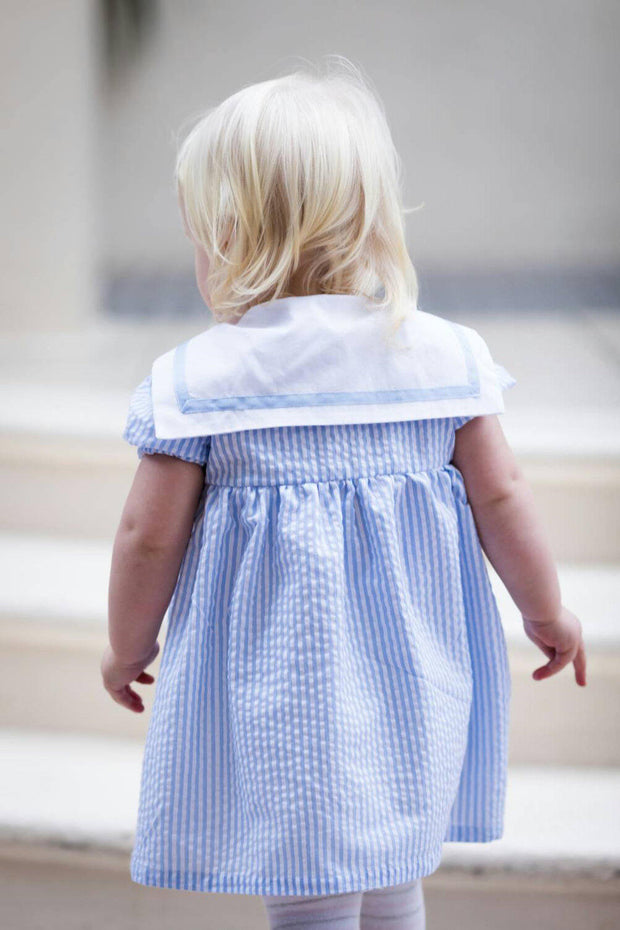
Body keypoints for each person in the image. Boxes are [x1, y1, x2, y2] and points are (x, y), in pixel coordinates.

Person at [101, 56, 587, 929]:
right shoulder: (437, 357)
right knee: (392, 865)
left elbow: (147, 537)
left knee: (310, 880)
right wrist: (546, 610)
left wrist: (127, 643)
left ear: (233, 234)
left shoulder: (205, 378)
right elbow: (502, 498)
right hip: (412, 674)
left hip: (284, 687)